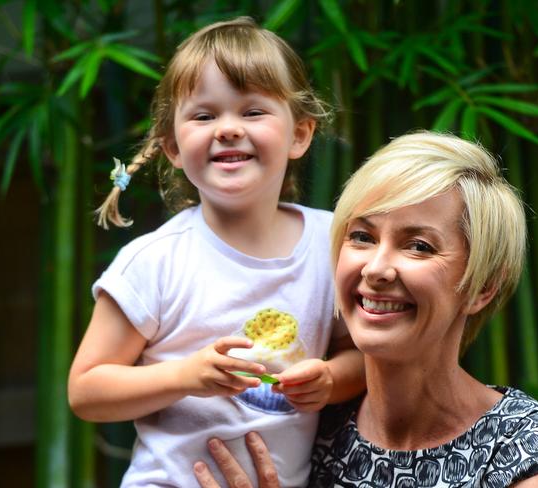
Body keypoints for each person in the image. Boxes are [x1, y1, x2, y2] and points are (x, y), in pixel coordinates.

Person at [190, 131, 538, 487]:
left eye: (418, 246)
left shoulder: (534, 457)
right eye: (361, 237)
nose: (376, 268)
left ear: (481, 287)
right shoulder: (308, 416)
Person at [67, 17, 365, 488]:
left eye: (252, 112)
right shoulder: (155, 261)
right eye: (204, 116)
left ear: (300, 134)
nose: (227, 129)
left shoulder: (333, 245)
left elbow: (367, 354)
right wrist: (186, 376)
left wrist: (330, 380)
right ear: (173, 147)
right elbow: (87, 390)